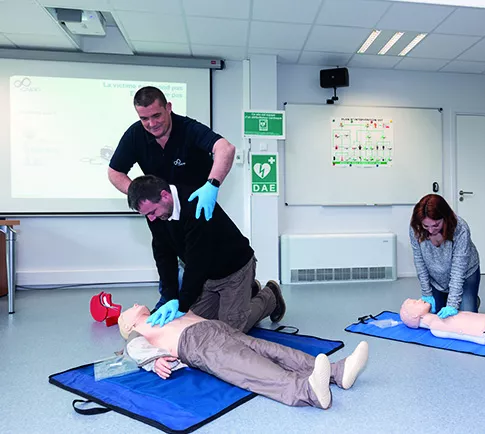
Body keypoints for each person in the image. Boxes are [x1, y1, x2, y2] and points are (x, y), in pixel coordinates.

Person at [108, 86, 258, 309]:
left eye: (157, 115)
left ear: (168, 108)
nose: (151, 123)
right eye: (144, 118)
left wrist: (212, 185)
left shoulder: (188, 129)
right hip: (162, 208)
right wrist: (145, 198)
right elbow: (115, 172)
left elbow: (225, 149)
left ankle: (249, 291)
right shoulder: (135, 135)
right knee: (168, 252)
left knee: (202, 264)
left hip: (195, 209)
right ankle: (171, 295)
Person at [118, 304, 370, 410]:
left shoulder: (163, 311)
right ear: (128, 324)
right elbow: (138, 353)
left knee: (272, 350)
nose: (136, 305)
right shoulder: (136, 337)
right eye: (131, 308)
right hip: (197, 344)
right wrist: (155, 362)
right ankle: (308, 391)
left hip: (216, 329)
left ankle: (338, 372)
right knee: (250, 366)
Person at [127, 174, 285, 333]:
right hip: (208, 277)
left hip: (234, 270)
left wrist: (182, 303)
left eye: (153, 212)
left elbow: (197, 261)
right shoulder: (156, 216)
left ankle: (270, 296)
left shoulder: (196, 204)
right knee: (193, 325)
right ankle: (248, 293)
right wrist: (170, 297)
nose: (151, 219)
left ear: (165, 195)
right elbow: (163, 256)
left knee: (229, 331)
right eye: (147, 215)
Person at [409, 194, 481, 320]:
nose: (431, 230)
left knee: (466, 319)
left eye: (436, 225)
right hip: (436, 278)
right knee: (436, 317)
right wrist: (426, 293)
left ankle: (470, 299)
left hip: (465, 274)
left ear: (445, 218)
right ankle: (449, 297)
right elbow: (419, 261)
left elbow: (458, 269)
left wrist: (453, 304)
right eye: (426, 226)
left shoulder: (461, 229)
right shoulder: (416, 228)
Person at [399, 298, 485, 345]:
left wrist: (452, 304)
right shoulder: (435, 326)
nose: (420, 299)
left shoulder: (435, 325)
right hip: (480, 330)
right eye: (415, 302)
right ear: (415, 316)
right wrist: (426, 292)